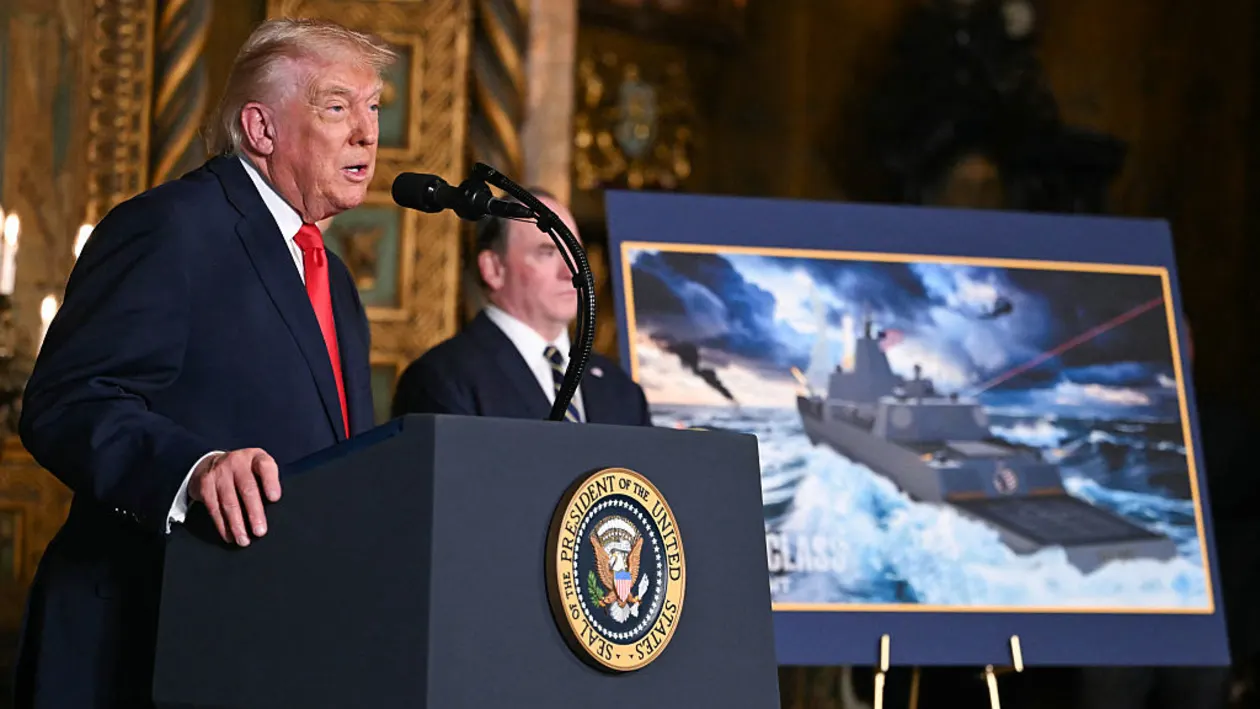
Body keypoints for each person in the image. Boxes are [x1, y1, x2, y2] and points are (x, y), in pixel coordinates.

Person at [13, 18, 394, 708]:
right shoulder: (171, 226)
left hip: (272, 642)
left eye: (373, 108)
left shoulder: (331, 277)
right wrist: (193, 470)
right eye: (337, 106)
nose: (367, 132)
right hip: (147, 633)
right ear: (261, 127)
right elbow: (67, 402)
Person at [390, 192, 651, 426]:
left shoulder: (621, 390)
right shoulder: (443, 379)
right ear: (494, 269)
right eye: (547, 252)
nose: (570, 272)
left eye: (575, 252)